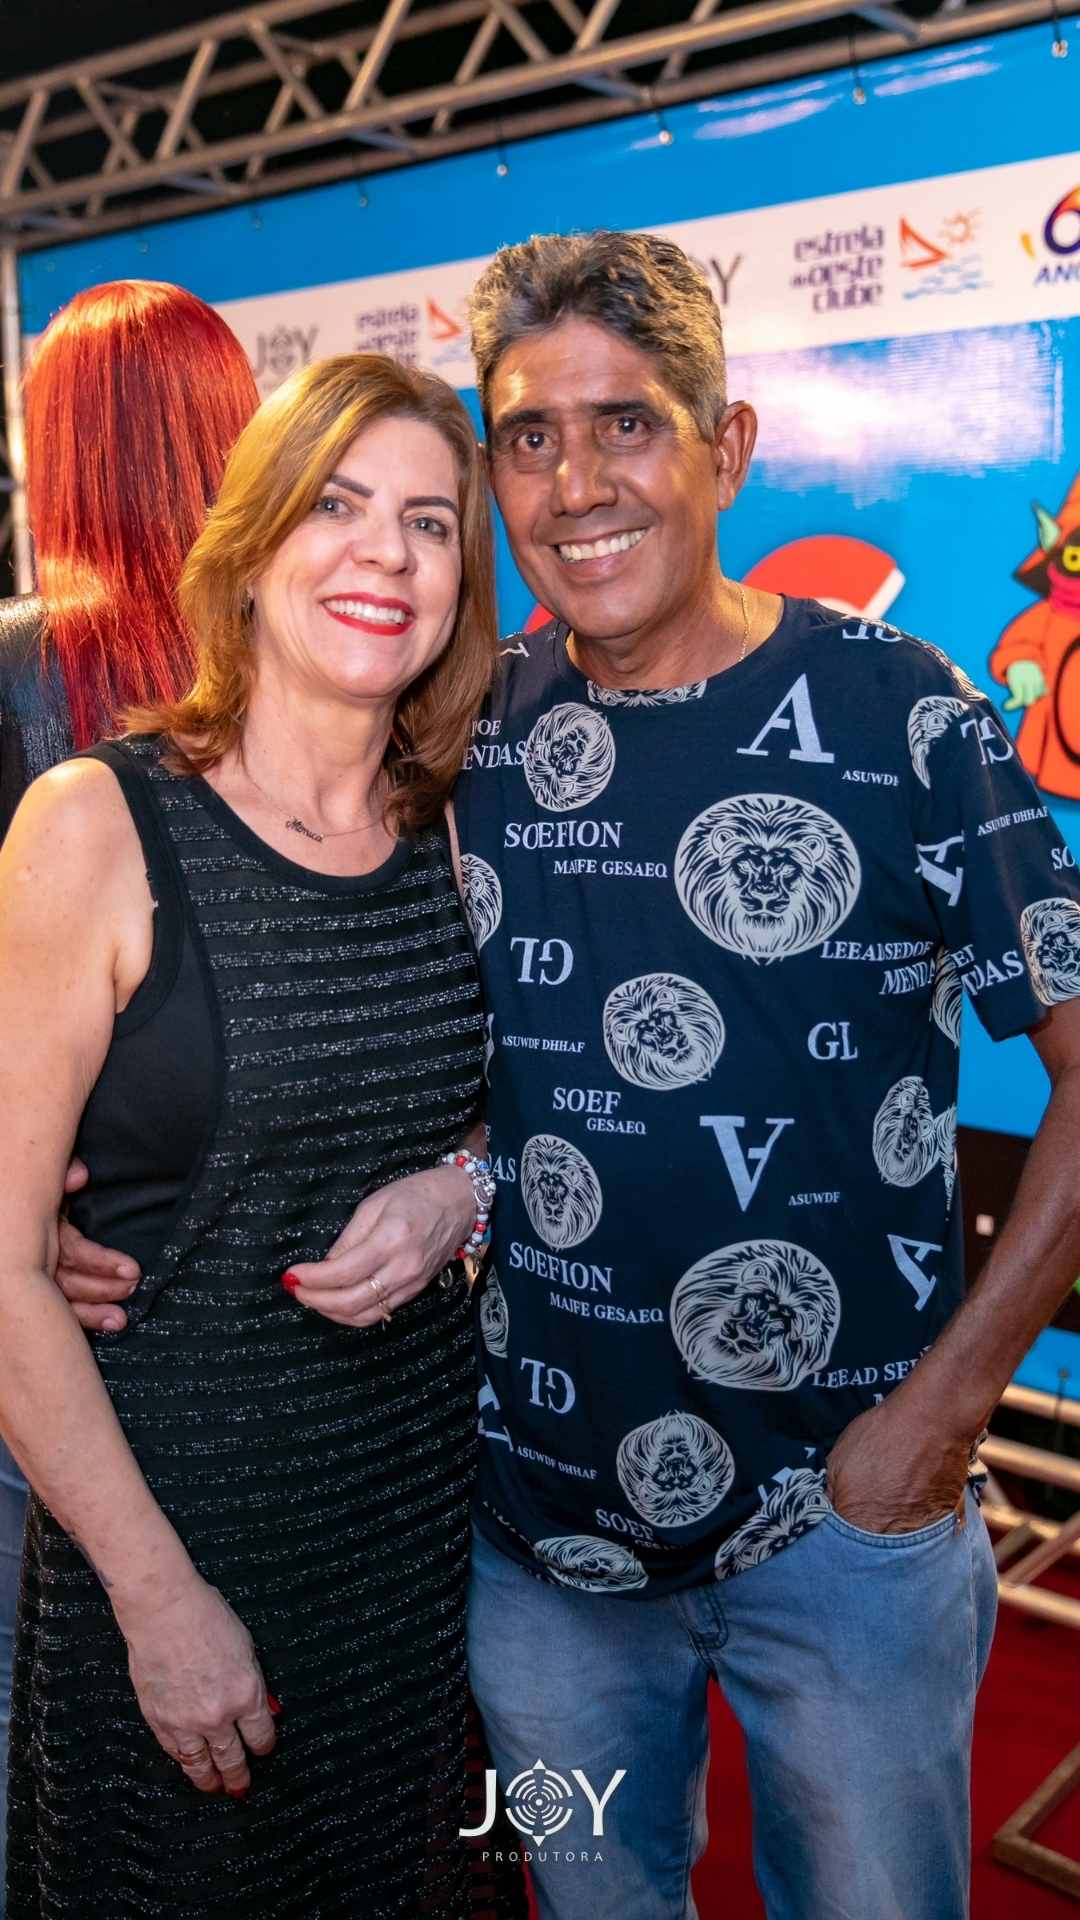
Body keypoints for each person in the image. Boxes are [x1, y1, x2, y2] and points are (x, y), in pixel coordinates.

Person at [59, 233, 1080, 1918]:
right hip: (540, 1553)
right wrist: (82, 1193)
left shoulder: (908, 714)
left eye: (627, 426)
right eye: (529, 436)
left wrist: (938, 1423)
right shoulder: (472, 731)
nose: (577, 483)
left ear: (728, 448)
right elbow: (381, 1025)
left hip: (850, 1528)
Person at [0, 350, 497, 1917]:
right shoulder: (96, 825)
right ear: (254, 540)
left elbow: (530, 1117)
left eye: (428, 522)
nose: (384, 554)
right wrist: (158, 1603)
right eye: (337, 505)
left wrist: (464, 1187)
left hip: (425, 1559)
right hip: (175, 1562)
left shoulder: (464, 826)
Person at [0, 278, 258, 1911]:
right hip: (264, 1311)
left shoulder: (24, 667)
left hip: (52, 1319)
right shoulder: (304, 666)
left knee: (53, 1760)